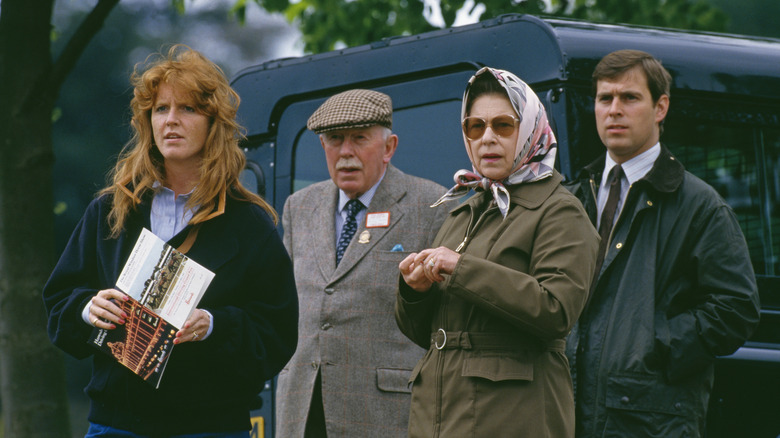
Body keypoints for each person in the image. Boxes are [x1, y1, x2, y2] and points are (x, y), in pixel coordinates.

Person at [42, 45, 298, 437]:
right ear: (147, 121)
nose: (171, 121)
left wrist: (214, 325)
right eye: (161, 109)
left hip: (210, 427)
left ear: (214, 123)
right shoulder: (112, 210)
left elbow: (278, 334)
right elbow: (58, 302)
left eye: (188, 109)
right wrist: (86, 308)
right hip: (116, 425)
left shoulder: (249, 223)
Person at [565, 49, 761, 437]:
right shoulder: (572, 198)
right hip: (565, 413)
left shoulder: (700, 205)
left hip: (650, 421)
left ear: (660, 107)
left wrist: (651, 348)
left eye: (629, 97)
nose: (614, 110)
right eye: (605, 98)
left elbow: (737, 308)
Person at [396, 67, 599, 437]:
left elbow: (556, 311)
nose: (487, 138)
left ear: (531, 131)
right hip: (439, 418)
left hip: (511, 419)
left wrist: (461, 269)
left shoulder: (560, 209)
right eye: (475, 127)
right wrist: (414, 291)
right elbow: (429, 334)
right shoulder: (466, 208)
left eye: (503, 125)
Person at [274, 89, 448, 437]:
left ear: (389, 147)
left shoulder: (431, 205)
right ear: (323, 146)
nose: (346, 152)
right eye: (335, 140)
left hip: (386, 412)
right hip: (302, 410)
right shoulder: (299, 206)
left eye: (359, 138)